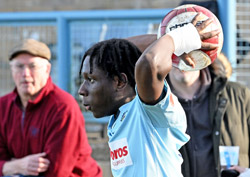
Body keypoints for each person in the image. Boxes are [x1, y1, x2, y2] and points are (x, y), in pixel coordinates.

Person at [78, 14, 218, 176]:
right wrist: (169, 41)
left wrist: (181, 38)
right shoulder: (118, 117)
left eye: (91, 79)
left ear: (119, 82)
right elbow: (120, 49)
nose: (82, 90)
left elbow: (149, 63)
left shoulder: (148, 111)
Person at [128, 36, 250, 176]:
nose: (183, 60)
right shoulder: (151, 103)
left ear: (203, 54)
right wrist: (167, 39)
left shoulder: (238, 95)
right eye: (176, 53)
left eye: (190, 52)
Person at [0, 39, 102, 177]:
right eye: (19, 66)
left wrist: (10, 167)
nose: (25, 74)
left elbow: (57, 171)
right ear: (11, 70)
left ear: (47, 69)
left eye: (32, 66)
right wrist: (17, 166)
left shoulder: (63, 107)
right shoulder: (3, 106)